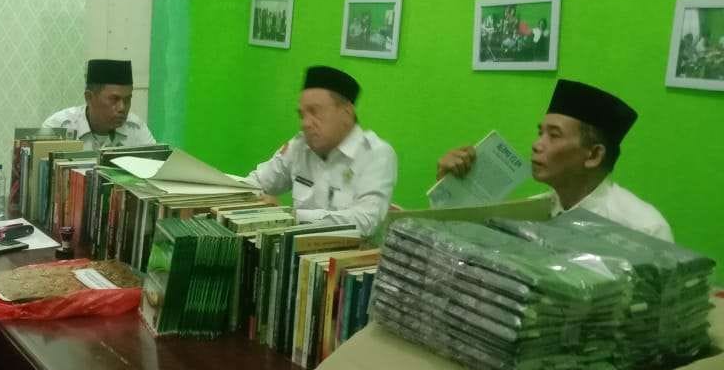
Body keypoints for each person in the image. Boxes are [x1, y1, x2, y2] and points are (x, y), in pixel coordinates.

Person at [436, 79, 672, 240]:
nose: (536, 144)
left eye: (554, 135)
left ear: (593, 155)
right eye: (540, 133)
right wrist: (451, 190)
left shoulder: (644, 228)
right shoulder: (532, 214)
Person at [242, 66, 398, 237]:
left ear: (346, 113)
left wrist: (291, 216)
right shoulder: (299, 146)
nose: (305, 123)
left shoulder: (376, 154)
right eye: (302, 115)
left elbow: (365, 221)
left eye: (315, 112)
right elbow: (256, 182)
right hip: (294, 249)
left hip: (348, 252)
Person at [42, 59, 156, 150]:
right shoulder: (58, 128)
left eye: (127, 99)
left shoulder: (136, 130)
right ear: (89, 97)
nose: (122, 108)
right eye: (114, 99)